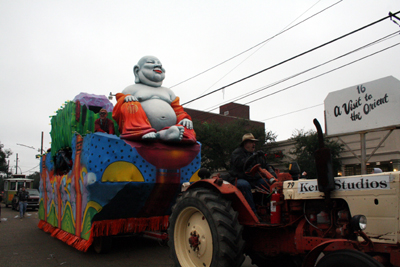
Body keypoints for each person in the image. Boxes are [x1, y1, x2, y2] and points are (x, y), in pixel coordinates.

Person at [112, 55, 196, 143]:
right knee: (129, 104)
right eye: (151, 62)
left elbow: (178, 110)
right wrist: (126, 98)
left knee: (186, 125)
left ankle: (166, 134)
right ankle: (142, 131)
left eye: (160, 64)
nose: (158, 66)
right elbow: (119, 107)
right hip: (141, 126)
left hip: (171, 128)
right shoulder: (131, 89)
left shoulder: (168, 92)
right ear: (137, 70)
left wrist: (184, 118)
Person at [230, 133, 276, 217]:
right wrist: (252, 159)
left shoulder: (255, 155)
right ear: (245, 143)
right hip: (240, 178)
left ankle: (269, 208)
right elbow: (240, 164)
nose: (254, 144)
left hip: (254, 179)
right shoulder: (237, 154)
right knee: (244, 185)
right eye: (251, 142)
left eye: (254, 142)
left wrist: (272, 174)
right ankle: (252, 213)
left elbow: (265, 165)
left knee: (267, 183)